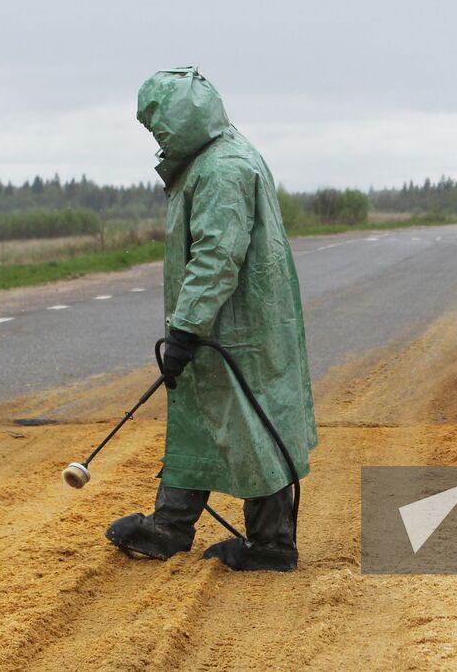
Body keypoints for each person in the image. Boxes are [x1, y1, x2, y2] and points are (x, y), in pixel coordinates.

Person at [105, 67, 317, 572]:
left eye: (157, 122)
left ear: (181, 116)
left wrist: (185, 327)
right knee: (205, 416)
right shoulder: (214, 157)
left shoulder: (222, 167)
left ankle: (271, 545)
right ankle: (170, 526)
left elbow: (217, 256)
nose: (155, 134)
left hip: (233, 325)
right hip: (224, 322)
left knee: (249, 424)